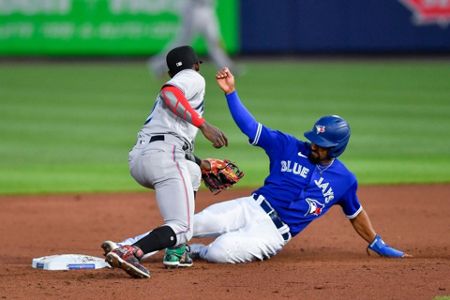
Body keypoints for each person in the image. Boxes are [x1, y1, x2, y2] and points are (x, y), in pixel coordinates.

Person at [105, 67, 409, 265]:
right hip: (250, 206)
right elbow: (251, 127)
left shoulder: (345, 180)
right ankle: (127, 246)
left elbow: (355, 214)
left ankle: (191, 251)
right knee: (189, 223)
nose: (314, 146)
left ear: (336, 148)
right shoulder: (289, 146)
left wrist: (377, 242)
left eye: (322, 145)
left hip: (273, 234)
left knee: (222, 251)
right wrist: (231, 93)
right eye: (314, 141)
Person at [103, 45, 228, 279]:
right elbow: (169, 93)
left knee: (192, 171)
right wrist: (204, 126)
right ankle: (130, 251)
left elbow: (173, 137)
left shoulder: (178, 85)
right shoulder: (193, 77)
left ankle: (176, 251)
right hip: (165, 157)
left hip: (143, 159)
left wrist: (201, 163)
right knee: (182, 227)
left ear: (170, 71)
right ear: (197, 65)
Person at [149, 0, 237, 78]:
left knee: (215, 42)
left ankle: (226, 68)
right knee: (182, 43)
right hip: (194, 9)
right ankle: (158, 64)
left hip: (208, 10)